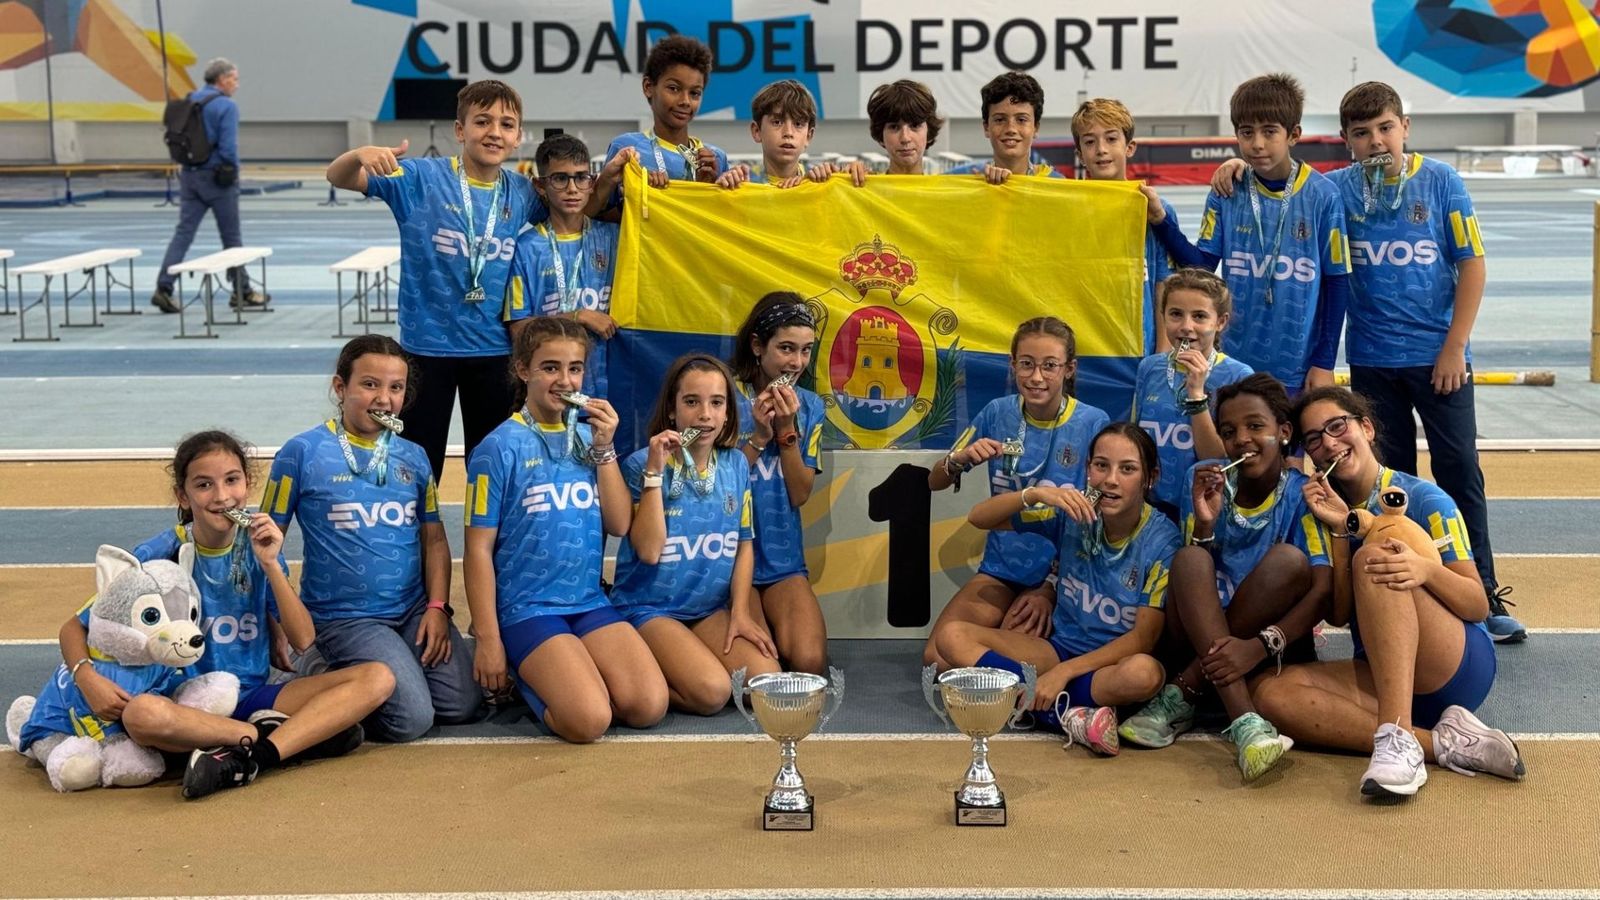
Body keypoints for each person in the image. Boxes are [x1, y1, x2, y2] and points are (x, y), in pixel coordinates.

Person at [1207, 81, 1522, 642]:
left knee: (1458, 474)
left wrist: (1454, 346)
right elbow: (1280, 179)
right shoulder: (1336, 192)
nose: (1376, 142)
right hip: (1374, 360)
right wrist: (1234, 165)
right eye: (1361, 133)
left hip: (1439, 360)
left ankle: (1484, 590)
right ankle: (1391, 590)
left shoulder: (1442, 182)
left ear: (1406, 127)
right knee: (1385, 481)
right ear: (1346, 141)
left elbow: (1472, 265)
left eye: (1385, 128)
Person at [60, 431, 392, 798]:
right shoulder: (158, 555)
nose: (221, 496)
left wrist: (270, 566)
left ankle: (251, 756)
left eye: (232, 480)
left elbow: (303, 639)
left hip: (248, 696)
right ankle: (277, 740)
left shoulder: (260, 546)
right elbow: (75, 626)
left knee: (377, 678)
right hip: (179, 704)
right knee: (141, 715)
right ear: (183, 496)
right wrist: (86, 678)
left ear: (247, 485)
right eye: (204, 485)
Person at [1250, 387, 1524, 798]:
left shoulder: (1426, 499)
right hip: (1382, 671)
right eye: (1313, 439)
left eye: (1337, 426)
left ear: (1366, 427)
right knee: (1271, 694)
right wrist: (1341, 531)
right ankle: (1444, 745)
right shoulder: (1321, 512)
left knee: (1376, 556)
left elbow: (1477, 603)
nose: (1328, 442)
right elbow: (1341, 614)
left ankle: (1395, 737)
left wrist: (1425, 570)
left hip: (1454, 665)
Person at [325, 79, 546, 482]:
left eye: (506, 124)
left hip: (494, 353)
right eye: (482, 122)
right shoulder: (419, 179)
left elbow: (578, 209)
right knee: (417, 468)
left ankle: (490, 545)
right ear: (460, 130)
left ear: (517, 137)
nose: (494, 132)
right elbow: (339, 178)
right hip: (426, 352)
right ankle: (418, 545)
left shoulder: (523, 193)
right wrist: (358, 154)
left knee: (494, 469)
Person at [262, 335, 480, 742]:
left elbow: (433, 540)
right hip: (346, 618)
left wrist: (437, 607)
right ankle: (318, 667)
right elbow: (262, 542)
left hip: (413, 611)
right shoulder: (301, 453)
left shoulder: (413, 456)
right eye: (370, 384)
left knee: (462, 705)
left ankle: (384, 670)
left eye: (395, 388)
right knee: (411, 720)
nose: (384, 399)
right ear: (340, 387)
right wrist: (275, 622)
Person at [465, 317, 667, 742]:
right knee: (589, 721)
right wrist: (488, 638)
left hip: (588, 601)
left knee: (648, 705)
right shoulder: (497, 449)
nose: (565, 379)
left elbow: (618, 524)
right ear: (523, 370)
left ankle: (569, 670)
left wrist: (605, 448)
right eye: (550, 367)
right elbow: (478, 551)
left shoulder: (588, 436)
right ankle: (526, 674)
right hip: (528, 608)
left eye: (574, 368)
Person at [1121, 375, 1330, 781]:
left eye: (1256, 427)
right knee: (1190, 559)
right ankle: (1247, 722)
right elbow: (1187, 580)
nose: (1242, 440)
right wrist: (1204, 524)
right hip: (1199, 632)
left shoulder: (1303, 494)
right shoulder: (1203, 478)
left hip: (1268, 646)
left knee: (1289, 560)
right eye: (1229, 431)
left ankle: (1184, 690)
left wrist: (1258, 646)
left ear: (1284, 432)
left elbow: (1319, 596)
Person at [936, 423, 1179, 756]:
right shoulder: (1072, 512)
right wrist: (1034, 494)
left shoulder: (1164, 541)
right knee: (951, 637)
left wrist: (1063, 674)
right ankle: (1069, 715)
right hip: (1055, 650)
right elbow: (980, 518)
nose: (1110, 479)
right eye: (1101, 465)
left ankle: (1038, 705)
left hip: (1107, 666)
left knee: (1145, 674)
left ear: (1150, 477)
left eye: (1128, 469)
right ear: (1087, 469)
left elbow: (1142, 639)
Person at [1142, 73, 1351, 393]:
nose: (1257, 143)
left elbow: (1338, 281)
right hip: (1233, 365)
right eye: (1246, 132)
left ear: (1293, 134)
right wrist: (1161, 220)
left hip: (1297, 366)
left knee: (1287, 443)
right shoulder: (1227, 191)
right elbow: (1201, 266)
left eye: (1269, 132)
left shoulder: (1323, 196)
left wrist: (1323, 362)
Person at [925, 317, 1109, 669]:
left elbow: (1097, 517)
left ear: (1069, 369)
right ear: (1013, 365)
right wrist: (958, 460)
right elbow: (935, 482)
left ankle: (1041, 692)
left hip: (1062, 577)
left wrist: (1052, 586)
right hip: (1001, 569)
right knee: (935, 658)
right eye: (1026, 364)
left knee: (1008, 654)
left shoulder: (1093, 423)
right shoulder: (998, 412)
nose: (1036, 377)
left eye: (1049, 366)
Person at [610, 355, 780, 714]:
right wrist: (655, 474)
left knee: (767, 684)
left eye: (716, 403)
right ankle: (637, 678)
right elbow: (650, 551)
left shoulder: (735, 463)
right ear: (672, 410)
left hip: (707, 610)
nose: (705, 414)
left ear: (728, 413)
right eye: (691, 402)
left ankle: (681, 659)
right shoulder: (641, 464)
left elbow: (744, 545)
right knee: (712, 693)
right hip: (649, 608)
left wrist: (740, 613)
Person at [729, 293, 828, 674]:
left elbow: (799, 493)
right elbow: (713, 485)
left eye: (805, 351)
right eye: (786, 348)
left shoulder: (811, 406)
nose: (797, 362)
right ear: (757, 346)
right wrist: (758, 435)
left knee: (810, 664)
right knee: (761, 676)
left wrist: (787, 431)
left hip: (783, 561)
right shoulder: (720, 398)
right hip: (728, 561)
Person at [506, 134, 626, 399]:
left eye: (581, 177)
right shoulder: (525, 248)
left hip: (611, 388)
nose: (572, 188)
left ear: (592, 183)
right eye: (560, 179)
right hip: (552, 392)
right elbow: (519, 331)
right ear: (539, 185)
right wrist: (577, 316)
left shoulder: (616, 238)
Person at [1132, 269, 1253, 521]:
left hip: (1206, 506)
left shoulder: (1238, 376)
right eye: (1176, 314)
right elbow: (1136, 442)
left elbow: (1221, 459)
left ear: (1220, 322)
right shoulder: (1149, 368)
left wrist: (1197, 394)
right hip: (1151, 507)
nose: (1186, 327)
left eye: (1199, 316)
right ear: (1163, 316)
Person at [150, 58, 267, 314]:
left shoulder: (190, 100)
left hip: (190, 177)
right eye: (234, 79)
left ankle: (164, 287)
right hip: (218, 178)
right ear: (222, 80)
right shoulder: (225, 106)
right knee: (232, 238)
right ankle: (242, 291)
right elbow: (228, 147)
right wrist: (234, 173)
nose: (237, 84)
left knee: (183, 234)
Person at [1071, 98, 1174, 353]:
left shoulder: (1155, 210)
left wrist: (1162, 353)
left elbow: (1164, 286)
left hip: (1140, 348)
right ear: (1079, 154)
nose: (1101, 149)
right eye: (1090, 142)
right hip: (1085, 351)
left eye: (1111, 139)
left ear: (1129, 147)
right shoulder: (1068, 210)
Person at [602, 35, 728, 192]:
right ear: (648, 87)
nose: (685, 101)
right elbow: (600, 212)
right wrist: (645, 199)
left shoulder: (715, 157)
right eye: (674, 88)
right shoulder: (627, 148)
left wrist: (708, 188)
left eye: (695, 93)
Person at [716, 79, 868, 189]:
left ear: (809, 136)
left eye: (798, 124)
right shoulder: (742, 182)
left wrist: (852, 177)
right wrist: (723, 187)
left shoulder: (822, 181)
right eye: (777, 122)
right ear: (757, 131)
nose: (788, 133)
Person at [945, 72, 1064, 182]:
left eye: (1021, 120)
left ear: (1036, 128)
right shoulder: (959, 181)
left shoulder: (1057, 185)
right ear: (986, 127)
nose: (1010, 129)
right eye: (1000, 120)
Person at [867, 80, 944, 175]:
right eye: (894, 127)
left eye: (915, 125)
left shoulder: (948, 189)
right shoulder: (862, 187)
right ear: (881, 135)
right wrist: (847, 179)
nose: (905, 138)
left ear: (929, 132)